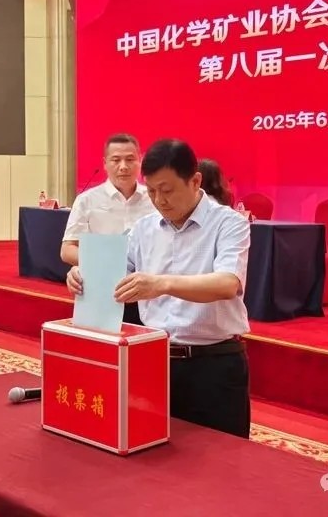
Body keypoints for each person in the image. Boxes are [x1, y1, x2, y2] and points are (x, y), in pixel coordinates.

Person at [66, 139, 252, 438]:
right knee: (154, 452)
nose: (159, 200)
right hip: (153, 361)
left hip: (213, 364)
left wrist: (161, 283)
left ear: (195, 181)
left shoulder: (229, 224)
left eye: (167, 190)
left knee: (220, 458)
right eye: (151, 191)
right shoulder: (144, 228)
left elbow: (227, 283)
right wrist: (83, 276)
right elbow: (115, 275)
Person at [60, 133, 156, 325]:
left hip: (150, 293)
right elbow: (67, 250)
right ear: (105, 163)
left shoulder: (155, 198)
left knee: (148, 340)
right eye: (116, 160)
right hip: (102, 290)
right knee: (102, 340)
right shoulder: (87, 200)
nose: (123, 166)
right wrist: (107, 262)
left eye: (130, 159)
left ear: (140, 161)